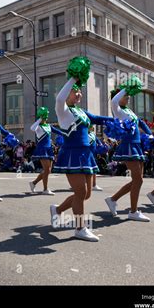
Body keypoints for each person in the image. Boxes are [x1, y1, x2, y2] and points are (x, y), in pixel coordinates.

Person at [50, 57, 113, 242]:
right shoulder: (63, 110)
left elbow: (99, 119)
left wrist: (116, 121)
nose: (78, 94)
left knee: (85, 193)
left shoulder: (82, 112)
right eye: (74, 92)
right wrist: (73, 78)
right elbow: (60, 97)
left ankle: (58, 210)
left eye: (79, 91)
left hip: (87, 154)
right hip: (72, 154)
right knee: (79, 192)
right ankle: (80, 228)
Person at [104, 77, 154, 222]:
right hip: (128, 146)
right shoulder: (117, 109)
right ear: (119, 97)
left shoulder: (129, 110)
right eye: (126, 96)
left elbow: (140, 124)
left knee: (138, 180)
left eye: (129, 95)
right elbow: (113, 101)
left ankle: (113, 199)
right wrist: (126, 87)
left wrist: (150, 136)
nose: (129, 97)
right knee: (137, 179)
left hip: (137, 145)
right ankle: (133, 211)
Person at [29, 107, 63, 195]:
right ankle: (45, 189)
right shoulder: (38, 127)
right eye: (45, 115)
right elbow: (32, 128)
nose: (47, 117)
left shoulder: (49, 126)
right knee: (47, 169)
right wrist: (39, 119)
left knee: (48, 170)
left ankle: (34, 183)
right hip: (42, 149)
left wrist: (68, 133)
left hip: (49, 149)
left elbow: (59, 132)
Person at [88, 126, 103, 191]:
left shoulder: (93, 135)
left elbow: (98, 141)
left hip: (93, 154)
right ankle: (86, 184)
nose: (92, 128)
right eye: (91, 127)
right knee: (86, 170)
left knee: (94, 170)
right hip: (86, 155)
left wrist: (101, 147)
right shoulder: (84, 134)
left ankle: (94, 184)